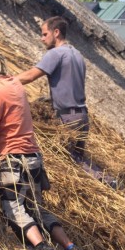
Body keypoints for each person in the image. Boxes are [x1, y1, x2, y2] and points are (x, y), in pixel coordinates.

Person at [0, 47, 91, 250]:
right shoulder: (13, 84)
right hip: (34, 158)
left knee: (14, 207)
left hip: (14, 161)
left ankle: (43, 248)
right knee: (38, 208)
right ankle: (71, 248)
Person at [16, 16, 113, 184]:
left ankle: (105, 181)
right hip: (81, 115)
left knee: (71, 160)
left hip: (68, 117)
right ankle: (106, 180)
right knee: (79, 158)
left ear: (56, 32)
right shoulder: (76, 54)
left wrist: (3, 82)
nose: (42, 38)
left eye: (45, 34)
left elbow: (30, 76)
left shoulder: (56, 54)